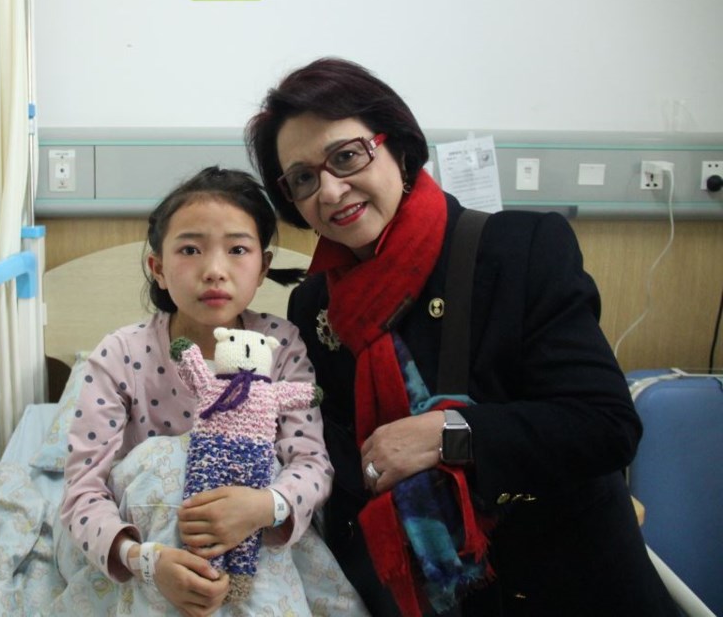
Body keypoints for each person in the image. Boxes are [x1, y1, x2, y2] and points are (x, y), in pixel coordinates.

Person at [245, 57, 678, 616]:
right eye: (303, 178)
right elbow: (330, 460)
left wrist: (446, 434)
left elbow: (604, 425)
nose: (330, 190)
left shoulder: (518, 249)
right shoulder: (313, 305)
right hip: (403, 594)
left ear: (397, 148)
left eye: (347, 156)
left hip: (564, 587)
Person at [58, 166, 367, 616]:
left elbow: (311, 464)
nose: (215, 270)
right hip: (141, 535)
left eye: (238, 249)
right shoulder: (119, 354)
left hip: (250, 529)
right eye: (190, 249)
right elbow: (82, 491)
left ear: (263, 267)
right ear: (158, 269)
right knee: (169, 458)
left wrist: (263, 505)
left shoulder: (281, 347)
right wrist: (144, 561)